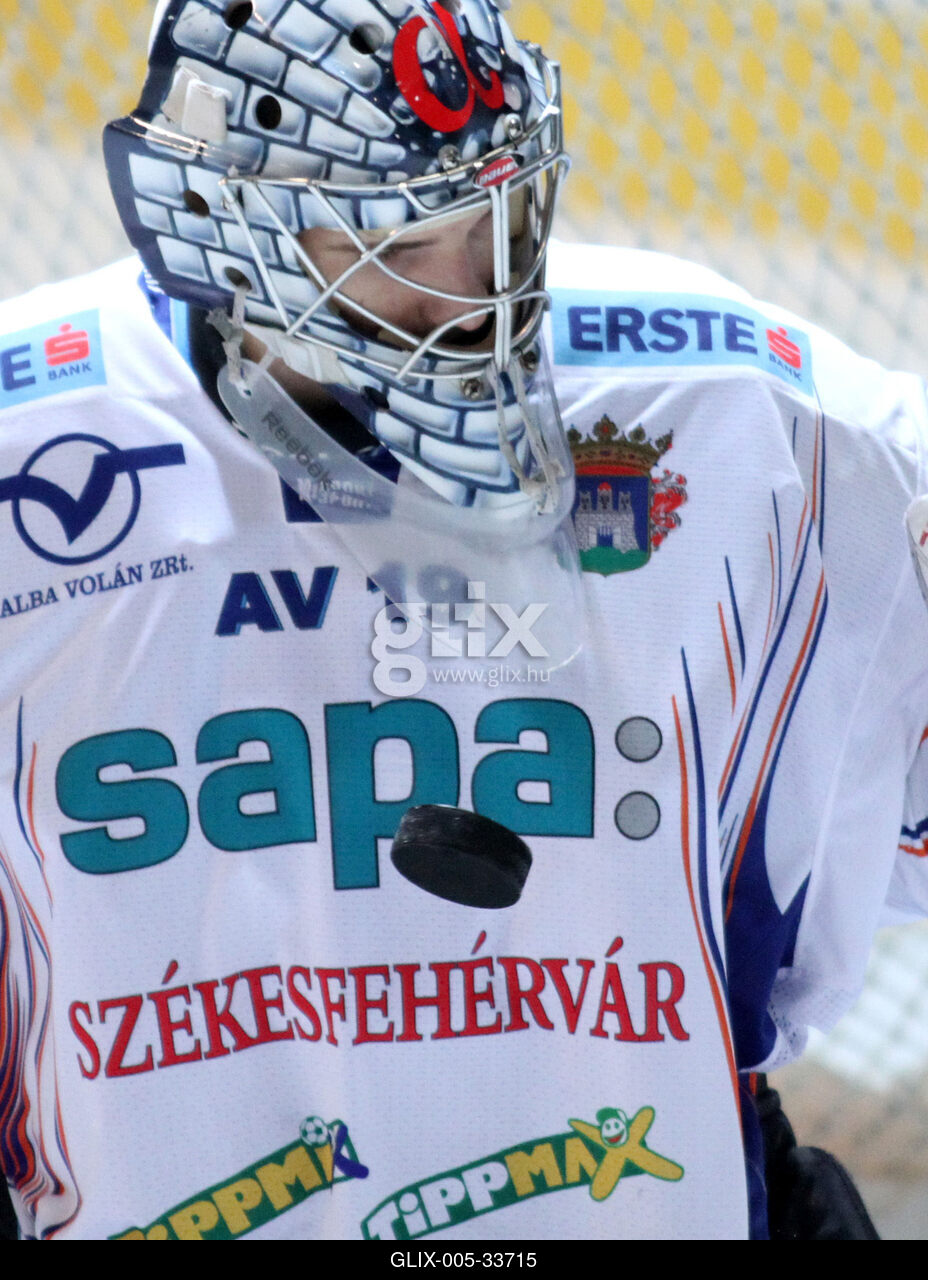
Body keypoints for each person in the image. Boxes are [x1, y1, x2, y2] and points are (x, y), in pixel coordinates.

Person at [0, 0, 924, 1242]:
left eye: (502, 217)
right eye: (411, 243)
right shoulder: (33, 457)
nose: (485, 293)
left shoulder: (734, 418)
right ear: (223, 219)